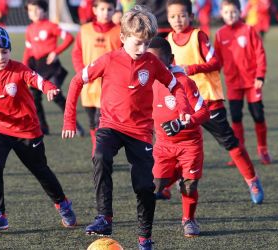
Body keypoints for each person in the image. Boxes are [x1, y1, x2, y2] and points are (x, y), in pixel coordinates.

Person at [62, 5, 188, 250]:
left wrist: (183, 108)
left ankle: (144, 238)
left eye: (146, 43)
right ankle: (104, 217)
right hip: (110, 124)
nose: (142, 49)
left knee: (144, 187)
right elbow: (77, 81)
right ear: (122, 38)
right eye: (137, 43)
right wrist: (68, 119)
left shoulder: (152, 62)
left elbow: (176, 85)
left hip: (140, 132)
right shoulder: (109, 59)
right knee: (100, 156)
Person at [0, 26, 77, 231]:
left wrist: (49, 88)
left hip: (28, 131)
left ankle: (62, 203)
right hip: (0, 129)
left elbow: (36, 79)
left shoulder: (20, 69)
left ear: (10, 51)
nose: (0, 56)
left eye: (4, 51)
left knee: (41, 171)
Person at [165, 0, 264, 204]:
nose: (178, 20)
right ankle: (165, 185)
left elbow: (216, 63)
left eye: (182, 15)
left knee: (230, 143)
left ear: (190, 17)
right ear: (168, 18)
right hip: (185, 104)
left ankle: (252, 180)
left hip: (208, 100)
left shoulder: (198, 36)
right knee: (175, 145)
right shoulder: (168, 39)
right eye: (173, 16)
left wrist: (190, 69)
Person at [148, 37, 210, 237]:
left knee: (190, 185)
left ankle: (189, 219)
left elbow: (204, 113)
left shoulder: (184, 82)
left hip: (189, 144)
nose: (153, 65)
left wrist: (183, 123)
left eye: (157, 60)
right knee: (155, 187)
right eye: (149, 61)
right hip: (163, 145)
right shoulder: (146, 81)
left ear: (170, 59)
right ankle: (176, 177)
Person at [215, 0, 271, 165]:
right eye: (226, 12)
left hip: (253, 83)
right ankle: (240, 152)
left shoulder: (249, 30)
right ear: (222, 14)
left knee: (258, 116)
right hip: (233, 84)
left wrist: (260, 76)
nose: (230, 15)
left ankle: (263, 150)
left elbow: (260, 53)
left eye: (233, 12)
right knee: (236, 117)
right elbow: (217, 61)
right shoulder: (220, 34)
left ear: (240, 12)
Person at [23, 0, 84, 136]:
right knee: (34, 97)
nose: (34, 13)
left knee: (56, 95)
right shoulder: (29, 30)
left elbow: (69, 38)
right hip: (36, 66)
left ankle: (74, 124)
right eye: (31, 10)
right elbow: (28, 51)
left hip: (50, 65)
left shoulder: (51, 26)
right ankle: (43, 128)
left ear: (44, 10)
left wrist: (56, 52)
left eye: (37, 9)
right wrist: (24, 69)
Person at [71, 0, 122, 156]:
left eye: (109, 9)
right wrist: (81, 72)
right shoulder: (85, 30)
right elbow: (77, 53)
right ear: (94, 10)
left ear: (114, 11)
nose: (105, 12)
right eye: (102, 9)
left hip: (108, 86)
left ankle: (99, 152)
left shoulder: (120, 31)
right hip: (88, 85)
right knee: (92, 121)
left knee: (101, 121)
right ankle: (98, 149)